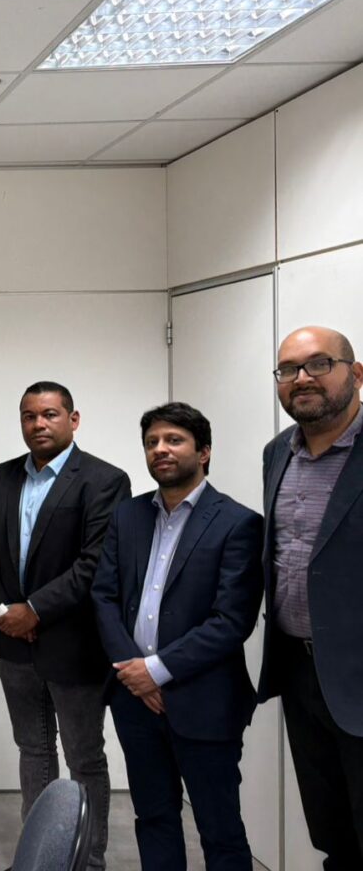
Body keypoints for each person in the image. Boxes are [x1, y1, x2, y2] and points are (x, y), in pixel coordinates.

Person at [92, 402, 262, 871]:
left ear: (204, 452)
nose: (160, 450)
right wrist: (135, 675)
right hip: (135, 701)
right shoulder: (127, 516)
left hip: (204, 701)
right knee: (153, 818)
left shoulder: (237, 523)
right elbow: (103, 596)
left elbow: (231, 621)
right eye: (152, 443)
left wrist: (156, 672)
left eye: (174, 441)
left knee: (220, 829)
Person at [0, 381, 129, 870]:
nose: (38, 424)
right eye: (28, 416)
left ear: (73, 419)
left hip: (74, 645)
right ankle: (40, 858)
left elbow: (95, 563)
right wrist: (5, 612)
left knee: (84, 758)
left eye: (49, 415)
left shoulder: (104, 480)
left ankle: (88, 861)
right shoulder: (1, 478)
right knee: (33, 751)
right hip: (15, 645)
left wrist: (35, 610)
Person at [259, 325, 363, 868]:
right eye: (288, 369)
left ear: (356, 374)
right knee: (333, 836)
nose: (301, 378)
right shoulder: (277, 453)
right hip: (301, 677)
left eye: (318, 364)